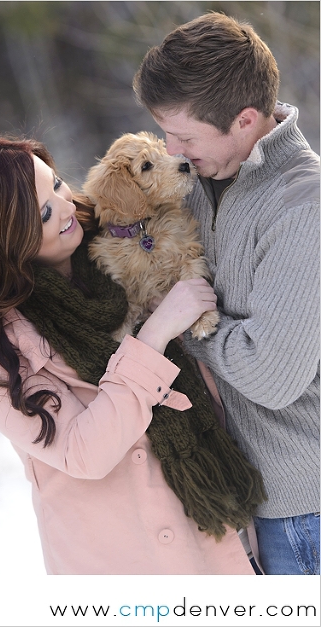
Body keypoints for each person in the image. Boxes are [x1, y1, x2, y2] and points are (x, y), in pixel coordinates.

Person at [0, 136, 267, 574]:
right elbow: (83, 452)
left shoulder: (121, 243)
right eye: (43, 212)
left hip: (218, 530)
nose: (67, 206)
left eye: (56, 185)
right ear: (0, 238)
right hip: (124, 565)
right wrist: (155, 334)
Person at [133, 12, 320, 575]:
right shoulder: (198, 183)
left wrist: (178, 324)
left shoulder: (303, 206)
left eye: (185, 135)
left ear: (244, 120)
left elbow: (270, 372)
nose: (172, 148)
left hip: (305, 511)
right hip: (245, 505)